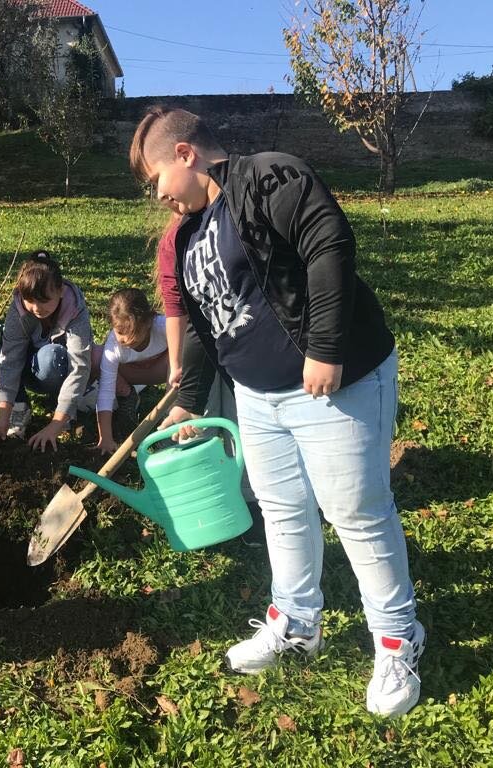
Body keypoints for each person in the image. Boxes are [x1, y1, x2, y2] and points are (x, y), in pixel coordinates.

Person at [130, 106, 423, 717]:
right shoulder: (185, 237)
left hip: (332, 384)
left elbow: (329, 244)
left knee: (356, 512)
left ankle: (398, 638)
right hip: (258, 399)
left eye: (156, 178)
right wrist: (189, 402)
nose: (157, 195)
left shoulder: (267, 176)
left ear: (185, 153)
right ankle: (296, 623)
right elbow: (206, 327)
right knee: (282, 509)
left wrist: (326, 348)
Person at [154, 212, 263, 547]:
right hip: (198, 346)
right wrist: (176, 363)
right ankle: (206, 506)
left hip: (239, 339)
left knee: (239, 424)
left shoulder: (230, 225)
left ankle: (251, 505)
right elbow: (175, 308)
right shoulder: (174, 241)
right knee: (198, 425)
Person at [0, 251, 94, 453]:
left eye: (44, 300)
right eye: (30, 300)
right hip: (27, 367)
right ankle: (19, 406)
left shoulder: (74, 309)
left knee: (52, 357)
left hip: (54, 369)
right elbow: (10, 361)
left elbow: (79, 367)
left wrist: (55, 425)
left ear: (61, 291)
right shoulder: (18, 309)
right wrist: (3, 416)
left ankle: (63, 407)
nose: (36, 308)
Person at [92, 288, 168, 454]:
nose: (126, 339)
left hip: (164, 371)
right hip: (132, 375)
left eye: (134, 331)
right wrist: (106, 438)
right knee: (96, 356)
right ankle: (128, 395)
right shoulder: (113, 346)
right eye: (120, 332)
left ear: (148, 322)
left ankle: (170, 419)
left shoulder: (164, 326)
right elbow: (106, 391)